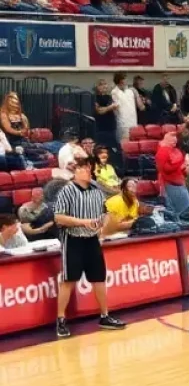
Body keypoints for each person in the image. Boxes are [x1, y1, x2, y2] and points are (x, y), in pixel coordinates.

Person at [53, 157, 127, 339]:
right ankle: (61, 319)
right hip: (73, 239)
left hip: (92, 240)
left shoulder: (96, 190)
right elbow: (59, 218)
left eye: (89, 168)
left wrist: (102, 230)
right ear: (76, 170)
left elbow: (106, 213)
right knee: (69, 280)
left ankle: (104, 316)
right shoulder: (67, 191)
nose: (88, 171)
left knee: (99, 278)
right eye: (84, 168)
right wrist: (84, 222)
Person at [155, 131, 189, 223]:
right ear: (167, 140)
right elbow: (165, 169)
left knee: (185, 208)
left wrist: (185, 167)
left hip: (180, 182)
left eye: (175, 141)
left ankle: (181, 223)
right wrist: (180, 165)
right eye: (172, 141)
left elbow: (182, 167)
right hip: (171, 183)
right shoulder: (162, 151)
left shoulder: (177, 151)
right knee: (182, 209)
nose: (174, 143)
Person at [111, 72, 137, 145]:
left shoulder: (130, 91)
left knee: (133, 145)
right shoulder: (114, 92)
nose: (126, 81)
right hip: (123, 123)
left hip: (133, 122)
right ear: (120, 80)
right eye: (125, 79)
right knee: (123, 145)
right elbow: (117, 107)